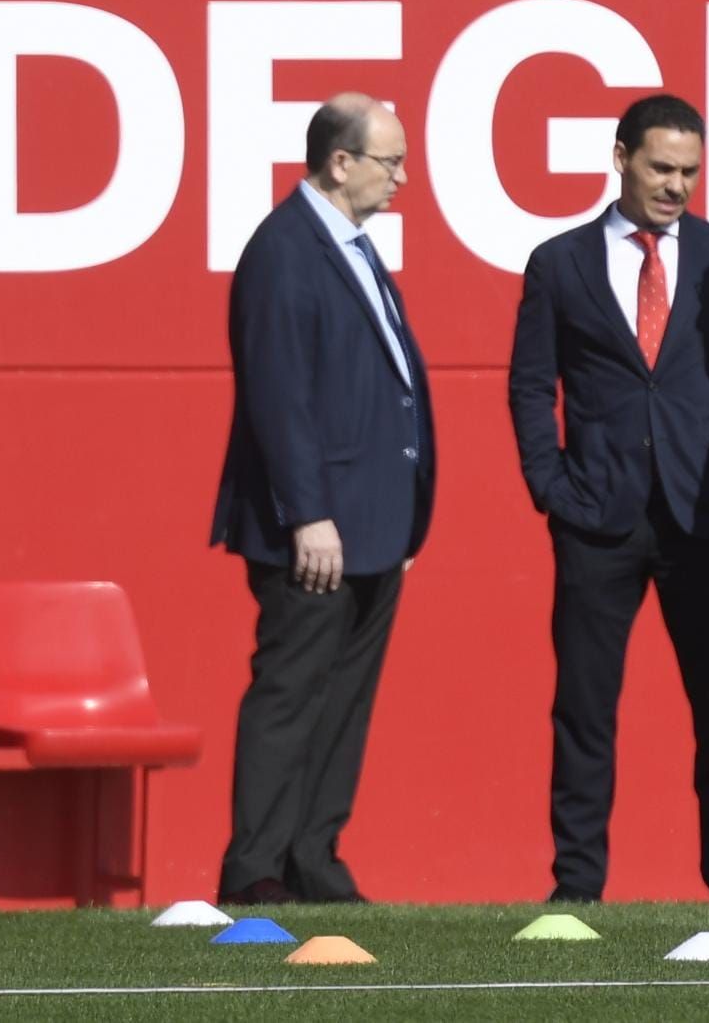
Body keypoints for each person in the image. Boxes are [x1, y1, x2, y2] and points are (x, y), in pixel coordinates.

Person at [509, 94, 709, 903]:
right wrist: (549, 486)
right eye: (661, 168)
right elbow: (531, 386)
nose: (676, 186)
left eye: (689, 172)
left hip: (706, 521)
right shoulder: (558, 262)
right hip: (595, 519)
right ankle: (577, 888)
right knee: (584, 711)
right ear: (621, 156)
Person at [209, 92, 435, 905]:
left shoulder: (350, 246)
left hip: (373, 524)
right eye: (390, 161)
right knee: (292, 690)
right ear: (340, 163)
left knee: (344, 698)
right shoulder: (286, 251)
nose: (403, 177)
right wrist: (309, 513)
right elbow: (279, 395)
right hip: (316, 528)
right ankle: (256, 868)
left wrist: (404, 509)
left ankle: (313, 856)